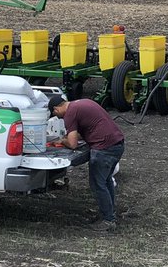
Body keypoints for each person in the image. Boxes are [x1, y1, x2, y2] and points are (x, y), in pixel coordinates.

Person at [49, 95, 125, 232]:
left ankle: (108, 220)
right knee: (106, 180)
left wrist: (62, 141)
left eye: (56, 115)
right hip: (116, 143)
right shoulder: (81, 103)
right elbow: (87, 128)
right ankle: (109, 212)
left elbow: (72, 144)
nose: (59, 118)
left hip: (104, 148)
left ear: (56, 109)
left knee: (98, 183)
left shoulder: (70, 113)